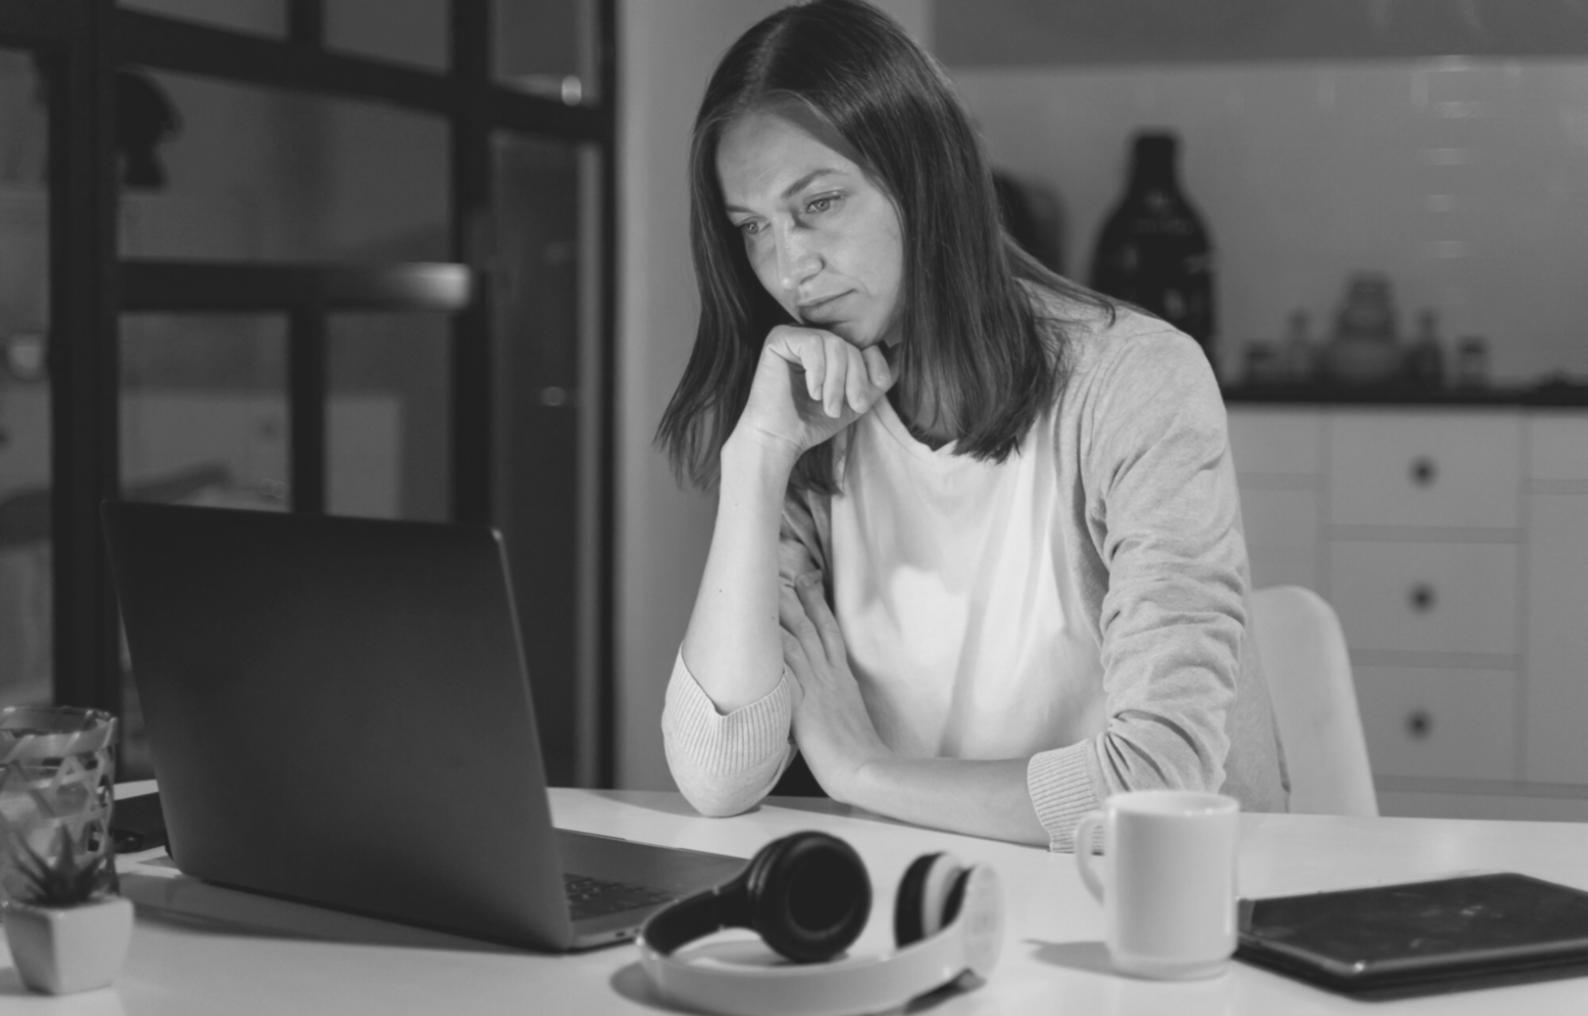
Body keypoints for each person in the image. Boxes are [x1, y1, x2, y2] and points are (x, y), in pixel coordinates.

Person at [654, 0, 1288, 852]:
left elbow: (1155, 783)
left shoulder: (1134, 382)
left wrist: (863, 774)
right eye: (753, 230)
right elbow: (718, 773)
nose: (789, 266)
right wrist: (757, 462)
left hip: (1154, 916)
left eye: (819, 205)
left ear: (924, 177)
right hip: (929, 899)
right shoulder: (813, 414)